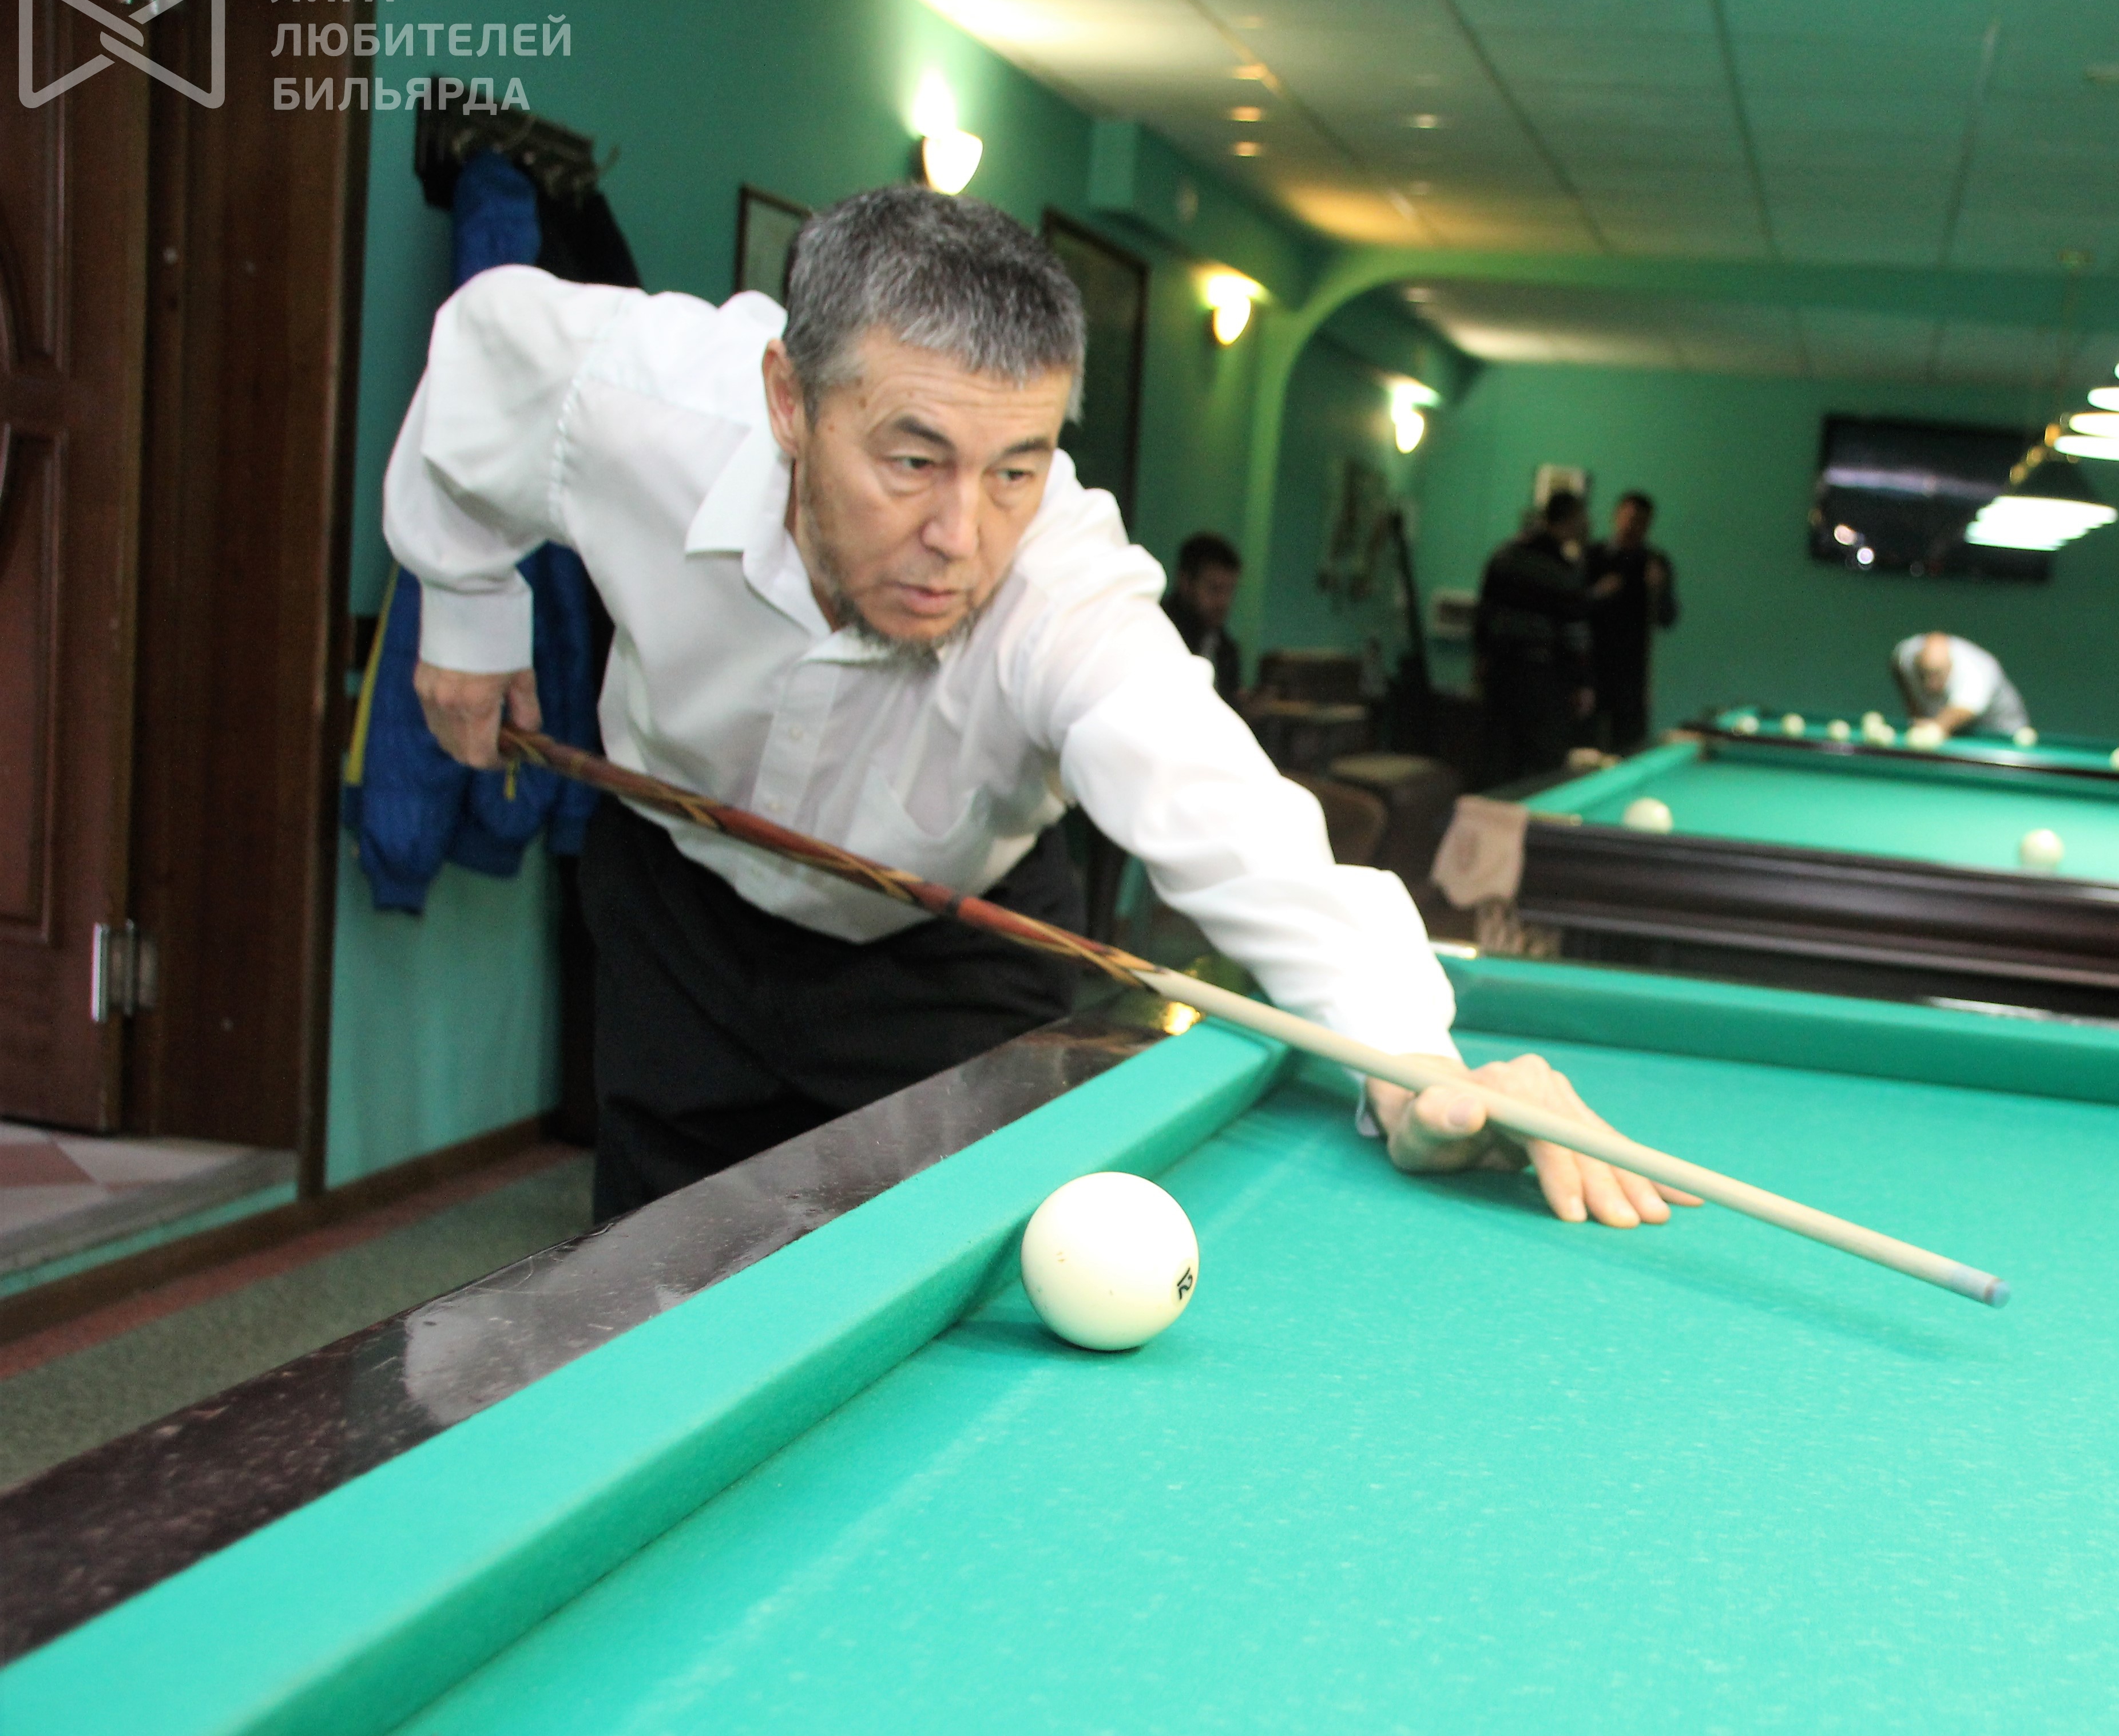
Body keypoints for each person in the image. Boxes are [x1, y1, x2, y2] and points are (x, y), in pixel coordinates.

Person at [387, 185, 1676, 1232]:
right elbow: (485, 353)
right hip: (677, 903)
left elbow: (1234, 822)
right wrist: (464, 610)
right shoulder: (646, 398)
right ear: (789, 399)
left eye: (1016, 468)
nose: (962, 536)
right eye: (912, 460)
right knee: (655, 1275)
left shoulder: (1064, 591)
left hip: (951, 955)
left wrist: (1421, 1068)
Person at [1476, 491, 1605, 779]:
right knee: (1541, 759)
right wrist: (1584, 682)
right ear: (1571, 520)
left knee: (1498, 754)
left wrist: (1482, 658)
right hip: (1542, 675)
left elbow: (1484, 612)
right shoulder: (1562, 568)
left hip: (1500, 669)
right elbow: (1575, 630)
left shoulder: (1506, 554)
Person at [1584, 491, 1677, 749]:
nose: (1634, 526)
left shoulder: (1654, 562)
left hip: (1633, 672)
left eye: (1642, 522)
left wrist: (1658, 589)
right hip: (1593, 665)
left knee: (1629, 745)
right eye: (1630, 518)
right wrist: (1598, 594)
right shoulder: (1593, 556)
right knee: (1586, 743)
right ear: (1617, 516)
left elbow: (1667, 618)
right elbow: (1572, 607)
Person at [1890, 632, 2030, 738]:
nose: (1930, 684)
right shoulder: (1906, 655)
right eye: (1923, 675)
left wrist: (1935, 728)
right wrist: (1917, 714)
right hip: (1953, 730)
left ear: (1951, 665)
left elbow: (1962, 710)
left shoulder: (1977, 671)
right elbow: (1899, 669)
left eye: (1937, 675)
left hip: (2002, 733)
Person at [1160, 532, 1244, 702]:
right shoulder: (1159, 632)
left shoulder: (1226, 650)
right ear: (1186, 583)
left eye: (1229, 590)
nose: (1223, 601)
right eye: (1214, 589)